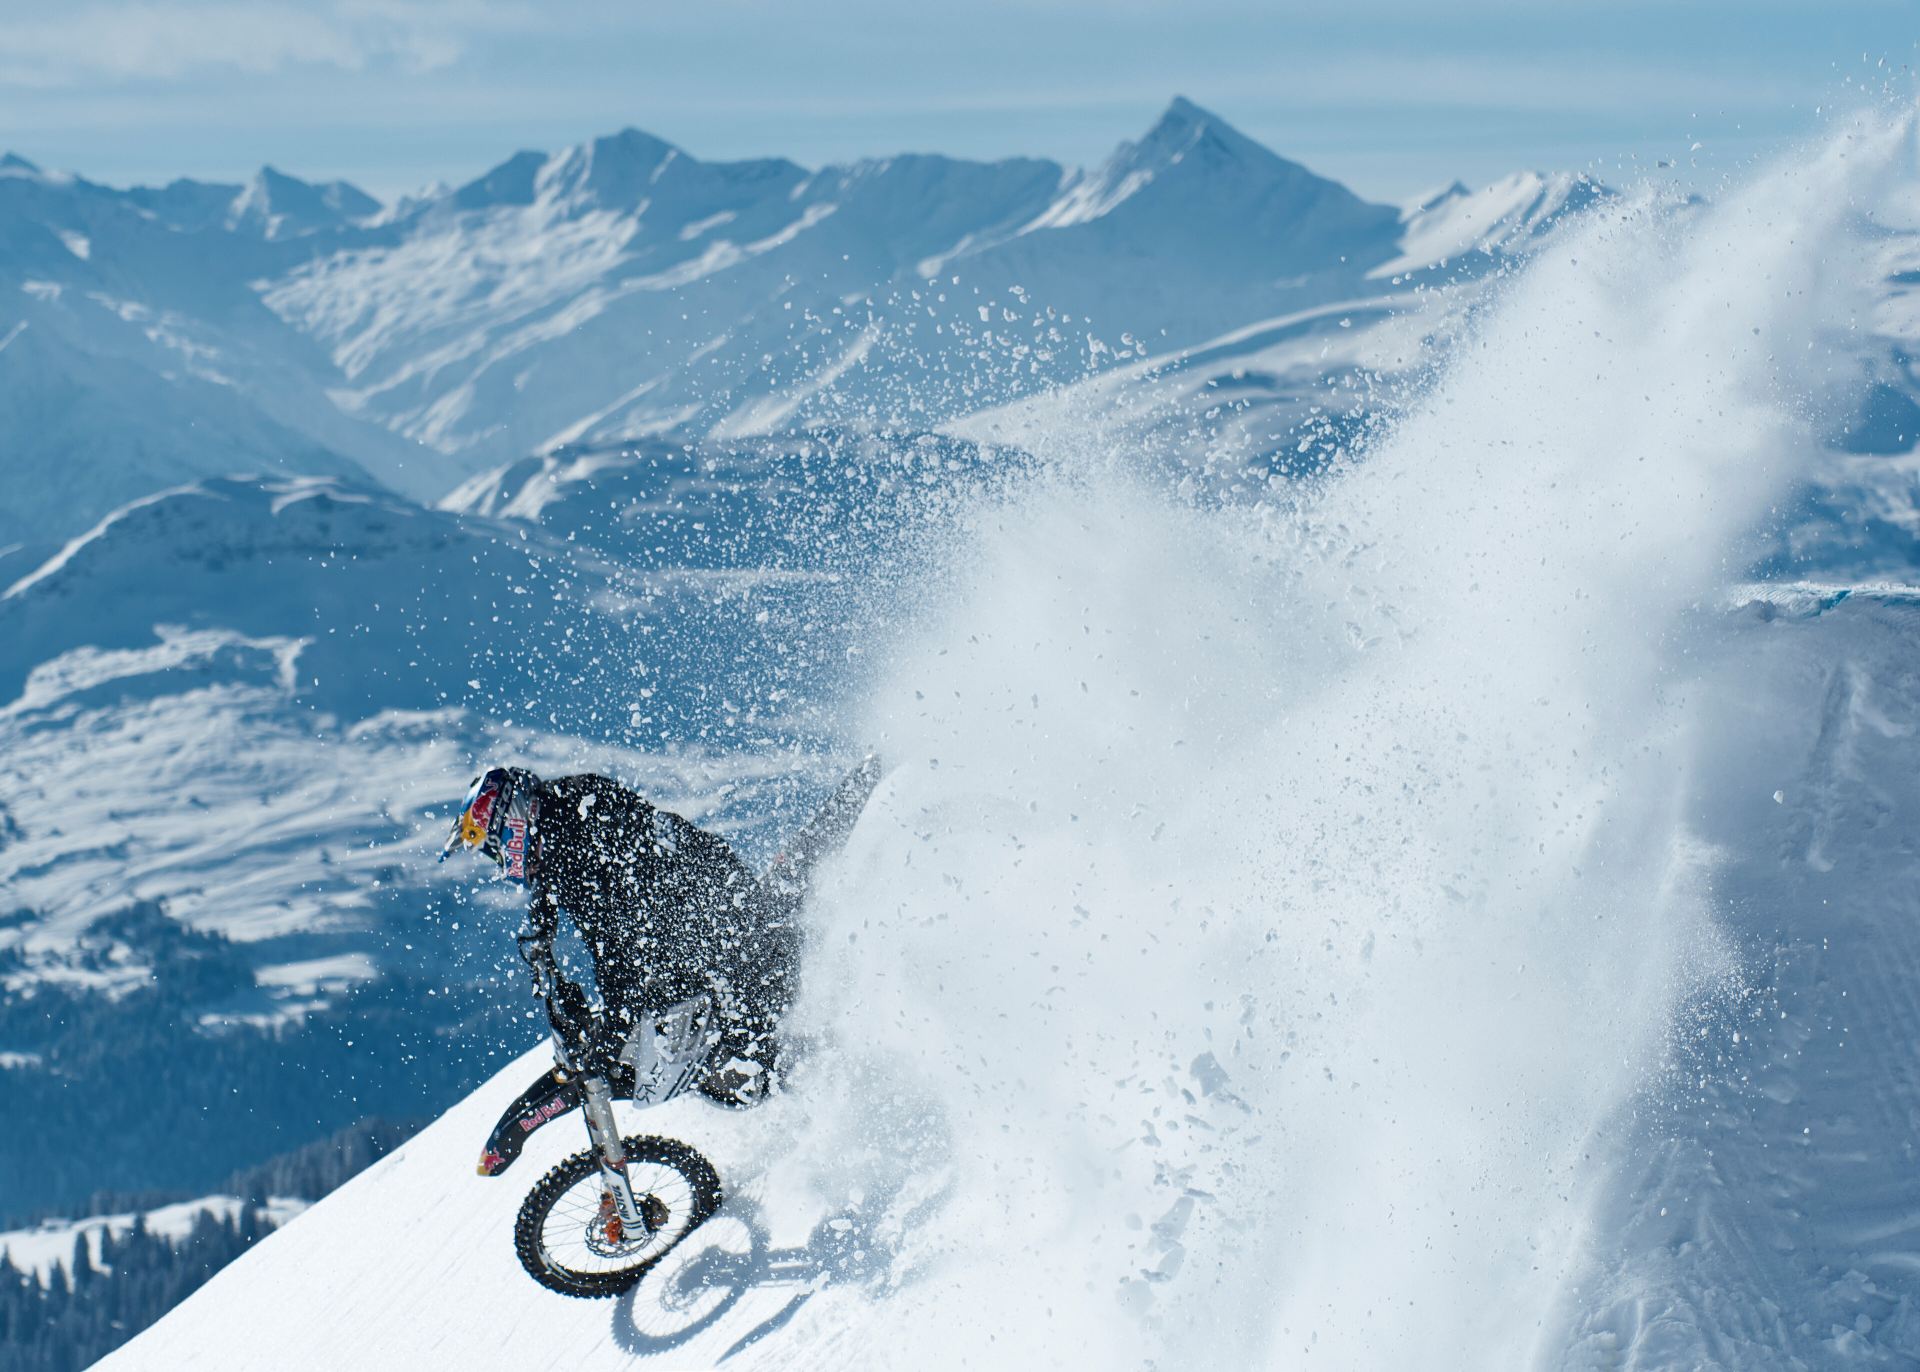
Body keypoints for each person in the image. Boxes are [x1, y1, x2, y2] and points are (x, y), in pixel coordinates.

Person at [443, 760, 879, 1111]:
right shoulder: (562, 814)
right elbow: (566, 892)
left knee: (758, 1051)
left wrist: (611, 1036)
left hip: (716, 922)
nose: (499, 860)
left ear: (511, 821)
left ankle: (851, 1086)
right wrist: (541, 931)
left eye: (493, 846)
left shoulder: (572, 839)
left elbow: (617, 950)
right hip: (705, 904)